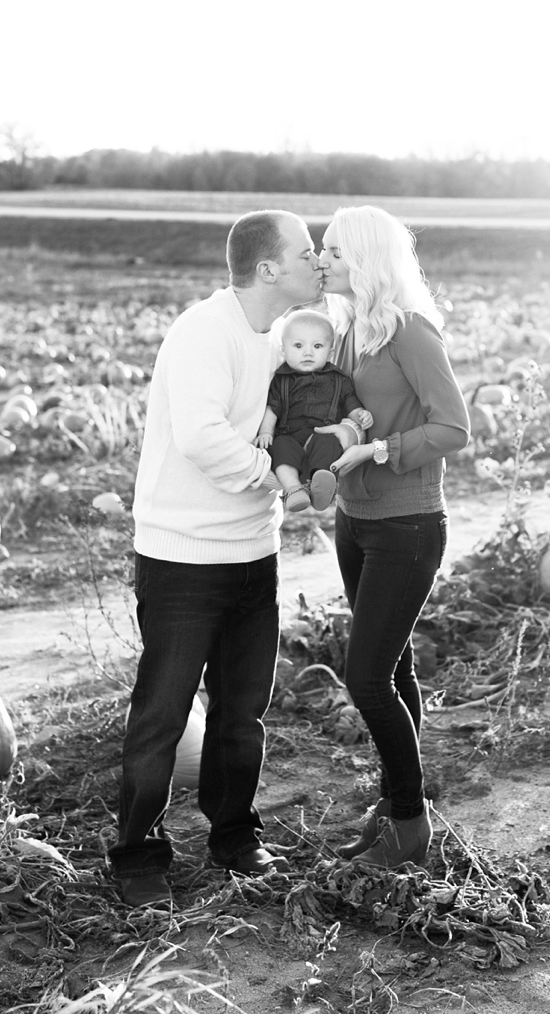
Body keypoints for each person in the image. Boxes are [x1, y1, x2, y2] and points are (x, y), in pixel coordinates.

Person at [108, 209, 323, 907]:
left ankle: (234, 834)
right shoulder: (205, 331)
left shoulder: (283, 338)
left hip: (251, 555)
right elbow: (201, 437)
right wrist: (278, 478)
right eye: (307, 252)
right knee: (163, 713)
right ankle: (136, 853)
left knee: (241, 713)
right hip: (182, 560)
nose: (317, 262)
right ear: (269, 268)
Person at [315, 204, 471, 870]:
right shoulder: (350, 332)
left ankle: (409, 825)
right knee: (394, 668)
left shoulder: (409, 332)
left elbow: (454, 428)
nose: (320, 260)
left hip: (407, 526)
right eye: (320, 250)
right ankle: (396, 800)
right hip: (353, 524)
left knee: (366, 678)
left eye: (332, 252)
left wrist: (378, 451)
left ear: (367, 260)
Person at [255, 308, 373, 513]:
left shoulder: (338, 379)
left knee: (330, 444)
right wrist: (266, 431)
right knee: (280, 446)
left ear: (331, 353)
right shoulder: (281, 379)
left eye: (317, 346)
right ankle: (293, 490)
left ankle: (321, 484)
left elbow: (349, 402)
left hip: (320, 434)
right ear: (284, 350)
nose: (307, 352)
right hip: (289, 435)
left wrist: (359, 414)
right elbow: (272, 408)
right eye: (298, 346)